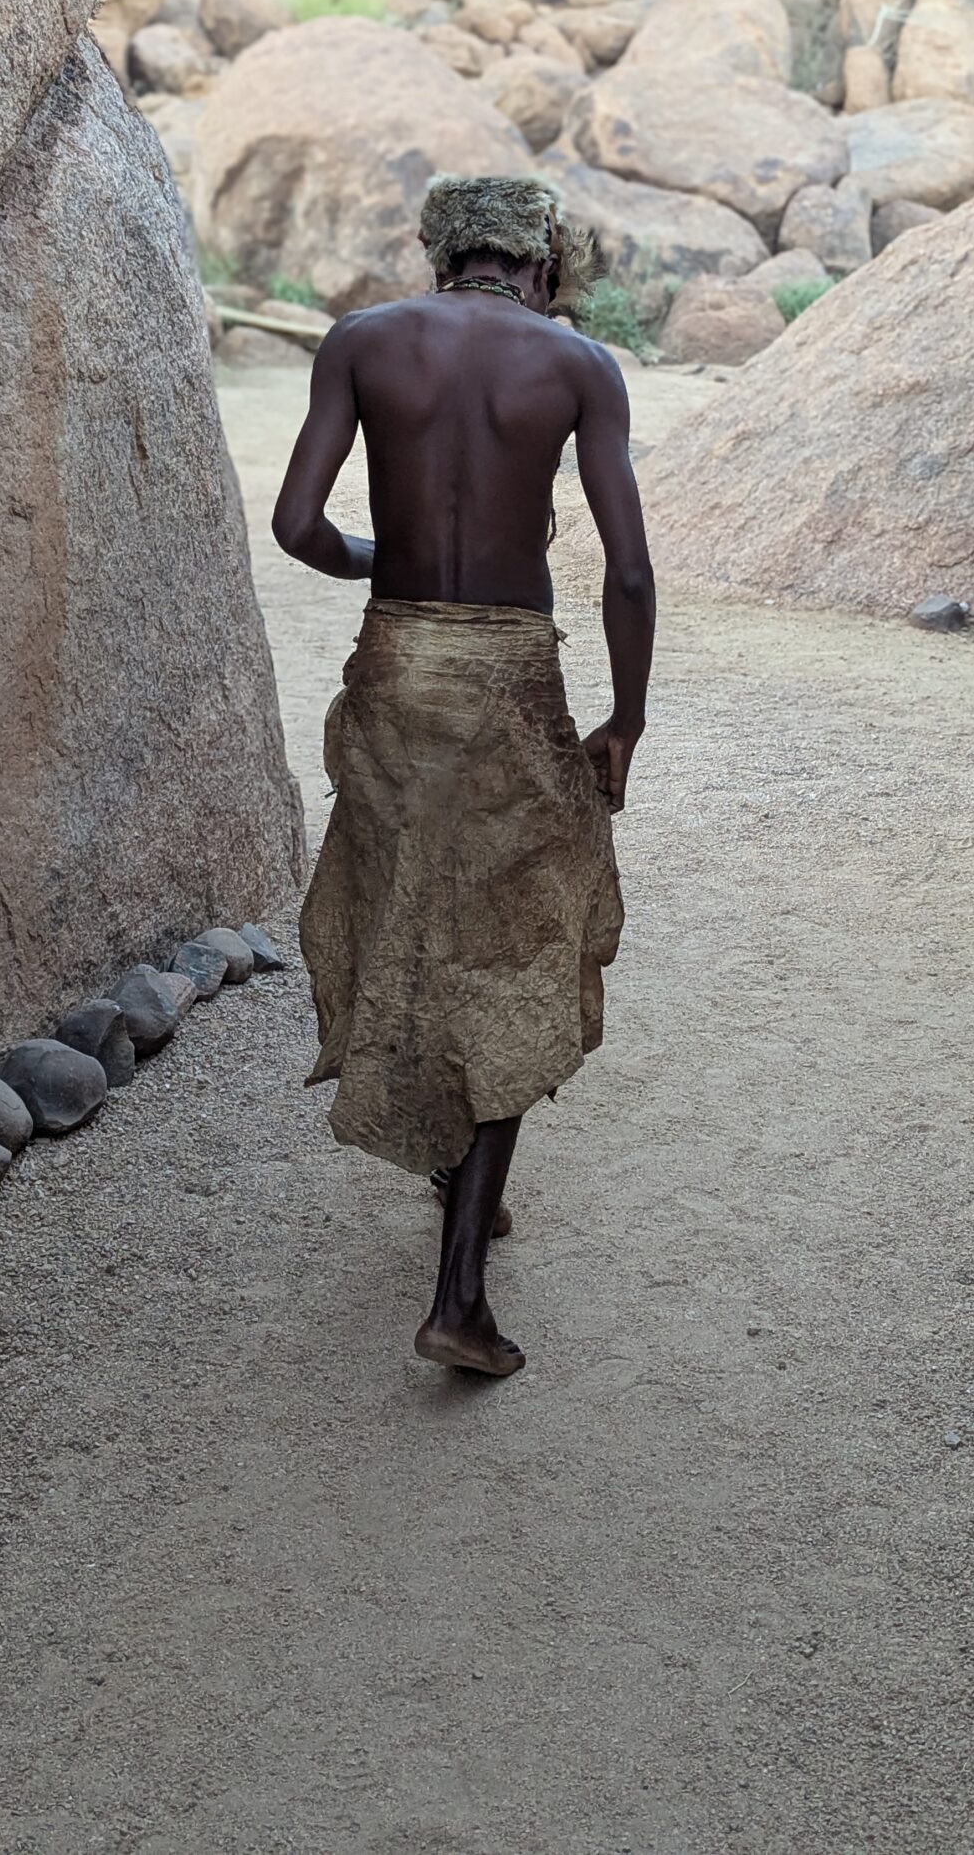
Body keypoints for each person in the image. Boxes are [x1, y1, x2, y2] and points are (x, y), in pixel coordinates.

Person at [271, 175, 656, 1378]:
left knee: (410, 915)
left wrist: (381, 557)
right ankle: (457, 1299)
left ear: (438, 256)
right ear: (541, 262)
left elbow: (296, 527)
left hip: (392, 665)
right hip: (507, 679)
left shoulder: (361, 342)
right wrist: (625, 718)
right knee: (513, 946)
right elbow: (627, 572)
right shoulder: (576, 363)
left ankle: (457, 1187)